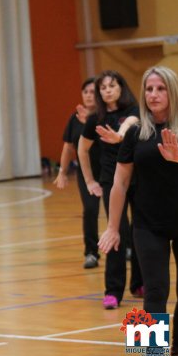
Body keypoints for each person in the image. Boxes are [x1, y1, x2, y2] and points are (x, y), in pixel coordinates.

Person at [99, 66, 178, 356]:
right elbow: (120, 184)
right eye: (149, 89)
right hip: (146, 223)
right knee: (155, 289)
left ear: (172, 92)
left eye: (160, 89)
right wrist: (113, 226)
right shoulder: (136, 133)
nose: (153, 95)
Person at [78, 70, 143, 309]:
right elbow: (82, 149)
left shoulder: (134, 111)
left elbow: (131, 123)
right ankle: (113, 291)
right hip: (111, 181)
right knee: (116, 232)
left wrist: (119, 136)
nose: (107, 90)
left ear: (121, 87)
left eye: (112, 85)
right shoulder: (96, 118)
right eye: (103, 87)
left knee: (141, 230)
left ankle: (139, 283)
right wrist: (89, 181)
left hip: (138, 178)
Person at [53, 78, 102, 269]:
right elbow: (68, 147)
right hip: (86, 173)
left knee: (119, 211)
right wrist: (62, 172)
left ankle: (127, 247)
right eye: (86, 92)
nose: (89, 95)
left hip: (109, 171)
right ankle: (91, 253)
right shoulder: (74, 118)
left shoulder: (105, 116)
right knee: (90, 210)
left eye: (92, 91)